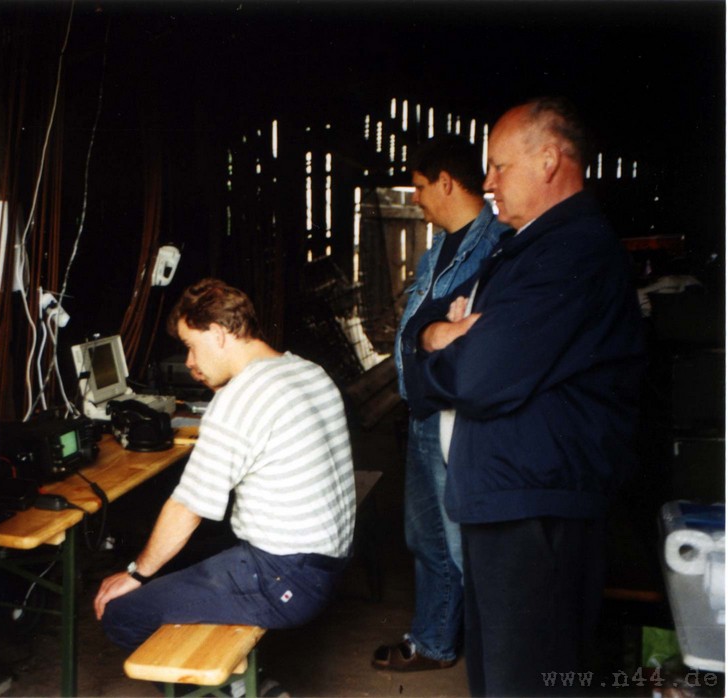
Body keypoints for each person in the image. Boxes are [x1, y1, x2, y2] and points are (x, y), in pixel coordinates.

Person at [402, 97, 645, 696]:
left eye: (498, 167)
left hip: (536, 510)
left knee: (526, 682)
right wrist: (434, 336)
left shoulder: (571, 251)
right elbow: (426, 327)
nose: (487, 183)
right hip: (510, 499)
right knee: (499, 678)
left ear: (549, 160)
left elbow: (476, 377)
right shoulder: (524, 247)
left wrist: (435, 360)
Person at [94, 278, 356, 657]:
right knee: (179, 557)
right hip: (328, 564)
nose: (189, 362)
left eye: (190, 346)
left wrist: (136, 573)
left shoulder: (242, 397)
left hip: (285, 578)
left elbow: (188, 507)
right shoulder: (306, 370)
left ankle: (228, 686)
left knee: (122, 612)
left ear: (218, 334)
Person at [372, 136, 508, 673]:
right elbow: (432, 325)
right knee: (426, 533)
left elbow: (473, 333)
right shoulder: (440, 248)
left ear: (446, 183)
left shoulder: (496, 245)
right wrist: (430, 330)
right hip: (424, 409)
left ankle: (489, 654)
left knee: (457, 540)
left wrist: (433, 332)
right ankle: (436, 637)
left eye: (421, 186)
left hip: (456, 413)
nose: (417, 198)